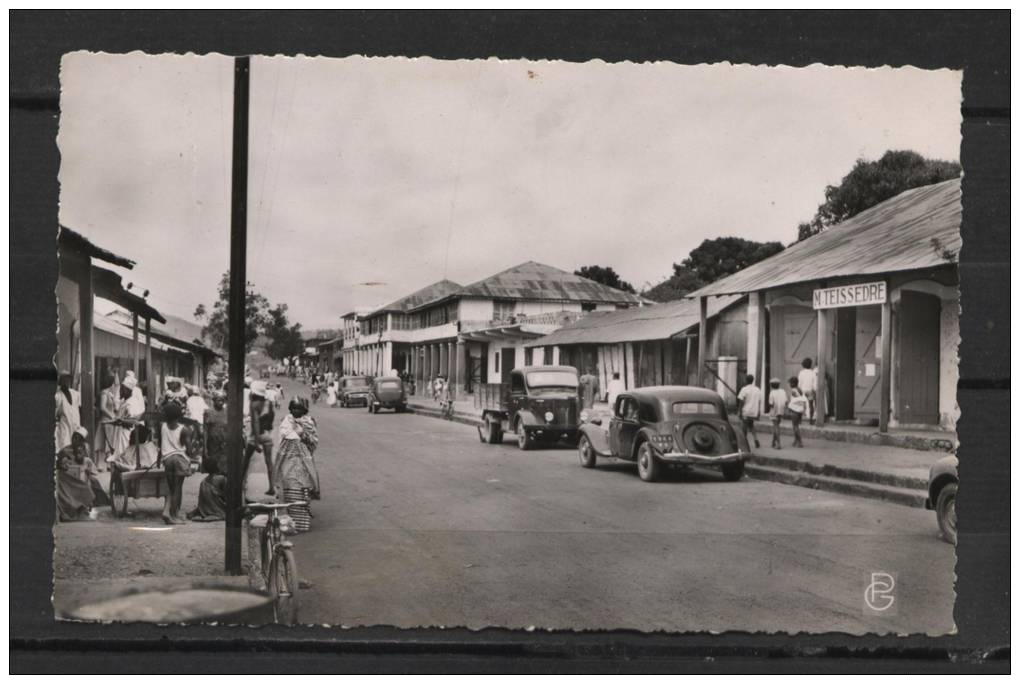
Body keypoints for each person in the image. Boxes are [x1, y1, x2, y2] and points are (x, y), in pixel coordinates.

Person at [273, 396, 319, 532]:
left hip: (303, 460)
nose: (295, 410)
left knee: (303, 489)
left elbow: (313, 442)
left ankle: (302, 523)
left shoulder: (309, 422)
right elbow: (281, 438)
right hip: (287, 459)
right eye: (293, 408)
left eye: (298, 408)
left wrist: (302, 434)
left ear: (304, 410)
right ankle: (291, 523)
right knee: (289, 488)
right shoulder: (285, 421)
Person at [188, 393, 229, 522]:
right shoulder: (208, 412)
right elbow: (205, 431)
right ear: (213, 400)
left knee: (223, 474)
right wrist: (204, 448)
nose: (220, 402)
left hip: (224, 448)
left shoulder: (228, 412)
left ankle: (221, 503)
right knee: (212, 474)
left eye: (222, 400)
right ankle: (210, 504)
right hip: (212, 447)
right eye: (218, 399)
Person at [56, 427, 110, 521]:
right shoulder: (65, 450)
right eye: (74, 438)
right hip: (67, 474)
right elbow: (60, 464)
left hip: (80, 474)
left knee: (92, 483)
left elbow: (86, 463)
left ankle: (84, 506)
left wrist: (80, 457)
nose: (75, 440)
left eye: (78, 438)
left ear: (82, 441)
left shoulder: (84, 449)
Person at [159, 401, 194, 524]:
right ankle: (173, 515)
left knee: (171, 487)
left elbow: (160, 444)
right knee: (178, 488)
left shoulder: (162, 426)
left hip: (167, 459)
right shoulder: (183, 430)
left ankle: (167, 511)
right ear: (179, 416)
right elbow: (189, 450)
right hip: (179, 459)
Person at [242, 380, 276, 496]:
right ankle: (271, 487)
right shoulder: (269, 403)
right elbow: (271, 418)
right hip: (267, 434)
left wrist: (256, 442)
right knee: (269, 462)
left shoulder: (254, 404)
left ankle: (241, 484)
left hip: (256, 435)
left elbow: (255, 423)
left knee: (246, 460)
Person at [95, 372, 120, 466]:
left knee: (106, 442)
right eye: (114, 383)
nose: (115, 385)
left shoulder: (109, 393)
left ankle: (106, 464)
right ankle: (100, 464)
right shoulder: (104, 393)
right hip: (106, 420)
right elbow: (102, 407)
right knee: (104, 442)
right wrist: (112, 415)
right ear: (111, 383)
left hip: (108, 421)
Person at [54, 371, 81, 452]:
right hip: (64, 425)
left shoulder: (75, 394)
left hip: (76, 424)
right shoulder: (58, 396)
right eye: (64, 380)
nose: (66, 382)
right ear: (60, 382)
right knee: (65, 446)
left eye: (68, 380)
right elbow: (55, 412)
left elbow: (78, 409)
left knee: (76, 446)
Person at [736, 374, 762, 449]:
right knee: (751, 425)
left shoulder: (744, 389)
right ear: (752, 380)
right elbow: (759, 401)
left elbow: (741, 401)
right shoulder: (757, 389)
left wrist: (739, 411)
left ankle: (744, 443)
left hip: (746, 411)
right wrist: (758, 412)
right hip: (754, 411)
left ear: (746, 380)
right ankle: (756, 439)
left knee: (744, 427)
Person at [767, 377, 788, 450]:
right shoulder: (783, 391)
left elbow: (771, 404)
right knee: (776, 426)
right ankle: (773, 442)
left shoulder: (772, 393)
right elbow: (786, 402)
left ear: (771, 385)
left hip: (774, 411)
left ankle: (778, 444)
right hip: (781, 411)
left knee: (776, 427)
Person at [787, 376, 808, 448]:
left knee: (795, 426)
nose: (789, 385)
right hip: (800, 410)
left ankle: (800, 442)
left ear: (793, 383)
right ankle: (795, 440)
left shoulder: (793, 391)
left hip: (795, 410)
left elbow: (794, 401)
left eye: (790, 383)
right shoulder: (799, 389)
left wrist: (789, 407)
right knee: (796, 426)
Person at [797, 358, 817, 423]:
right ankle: (811, 419)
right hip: (810, 391)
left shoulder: (801, 373)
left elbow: (800, 383)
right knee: (811, 406)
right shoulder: (813, 373)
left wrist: (799, 389)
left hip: (803, 390)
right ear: (810, 365)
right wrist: (814, 390)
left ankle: (799, 420)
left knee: (801, 405)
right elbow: (815, 384)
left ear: (803, 365)